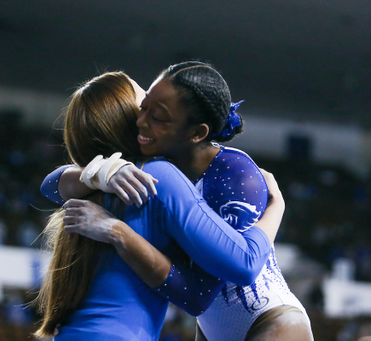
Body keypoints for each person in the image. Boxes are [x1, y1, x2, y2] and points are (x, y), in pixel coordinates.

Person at [41, 62, 313, 340]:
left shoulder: (223, 170)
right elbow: (49, 185)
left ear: (196, 133)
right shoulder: (145, 173)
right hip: (207, 327)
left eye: (155, 114)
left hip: (268, 319)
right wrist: (99, 174)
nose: (142, 119)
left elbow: (239, 268)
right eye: (143, 106)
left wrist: (277, 206)